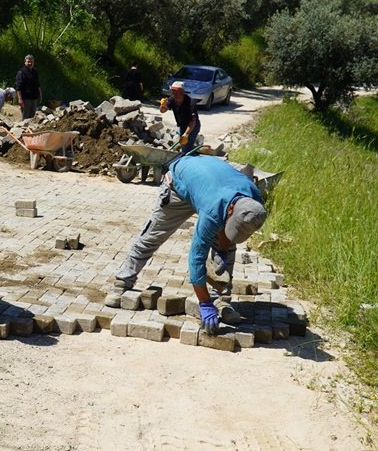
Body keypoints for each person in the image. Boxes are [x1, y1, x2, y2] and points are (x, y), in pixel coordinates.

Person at [105, 154, 268, 335]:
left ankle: (220, 298)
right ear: (231, 209)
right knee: (153, 235)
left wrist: (222, 250)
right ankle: (123, 281)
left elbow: (229, 221)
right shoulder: (213, 209)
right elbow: (196, 258)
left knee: (228, 248)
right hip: (179, 184)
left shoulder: (255, 201)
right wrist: (204, 304)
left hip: (212, 187)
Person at [160, 82, 200, 153]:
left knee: (186, 148)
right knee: (183, 145)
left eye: (176, 92)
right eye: (173, 92)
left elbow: (193, 121)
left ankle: (188, 158)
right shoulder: (172, 99)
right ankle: (188, 151)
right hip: (182, 125)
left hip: (193, 126)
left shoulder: (191, 103)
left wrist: (186, 134)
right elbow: (163, 111)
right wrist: (163, 105)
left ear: (182, 92)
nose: (174, 94)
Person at [15, 54, 41, 120]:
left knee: (32, 118)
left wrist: (40, 94)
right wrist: (20, 99)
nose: (30, 63)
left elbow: (38, 85)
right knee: (25, 118)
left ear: (33, 62)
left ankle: (30, 129)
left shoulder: (35, 71)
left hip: (34, 98)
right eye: (28, 61)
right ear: (25, 61)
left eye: (31, 62)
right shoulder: (21, 72)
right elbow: (18, 87)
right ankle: (23, 130)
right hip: (25, 99)